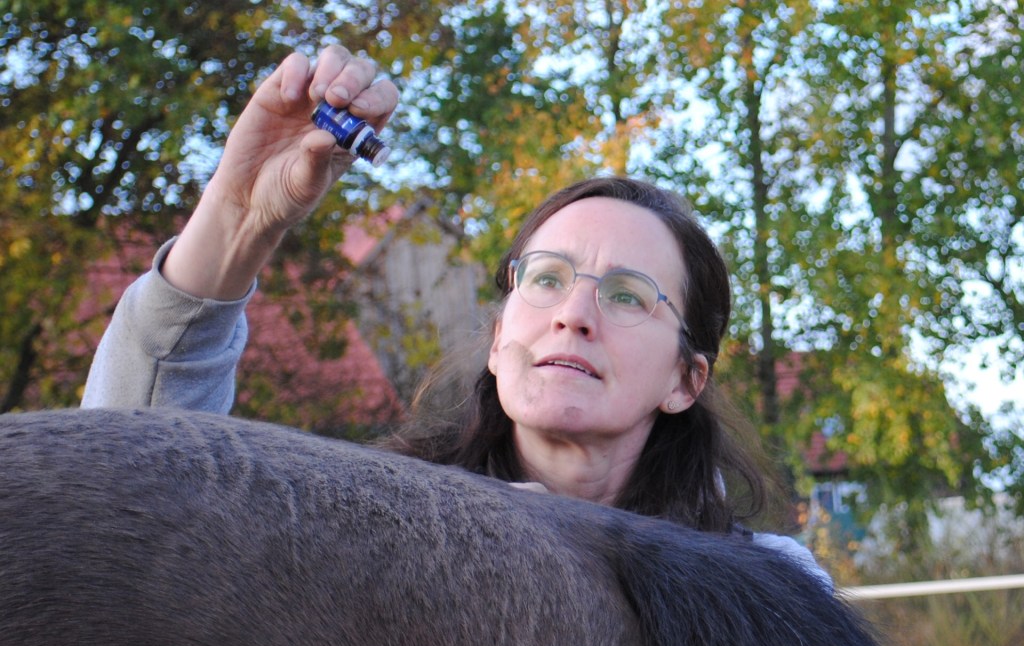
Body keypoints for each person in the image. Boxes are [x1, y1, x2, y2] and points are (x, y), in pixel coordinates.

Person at [82, 45, 831, 587]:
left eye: (628, 295)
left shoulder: (769, 592)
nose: (574, 315)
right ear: (500, 338)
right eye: (546, 278)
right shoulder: (367, 530)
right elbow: (126, 494)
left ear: (685, 379)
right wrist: (239, 217)